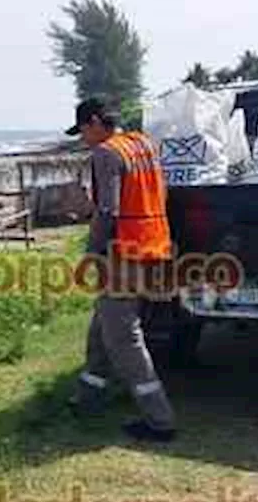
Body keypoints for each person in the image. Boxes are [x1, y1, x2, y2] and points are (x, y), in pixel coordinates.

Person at [66, 96, 178, 443]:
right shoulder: (143, 144)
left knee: (123, 337)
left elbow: (108, 210)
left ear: (97, 122)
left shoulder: (106, 153)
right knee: (104, 322)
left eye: (84, 130)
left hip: (124, 254)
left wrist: (90, 252)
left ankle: (160, 420)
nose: (83, 138)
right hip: (154, 247)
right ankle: (90, 396)